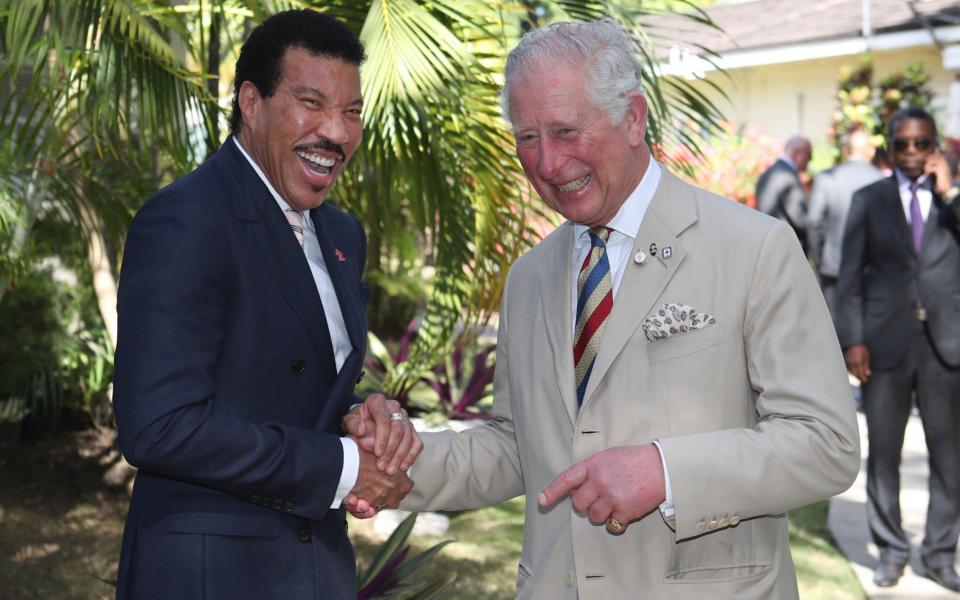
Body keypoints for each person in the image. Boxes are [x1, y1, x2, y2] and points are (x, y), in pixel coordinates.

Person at [345, 18, 859, 598]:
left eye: (566, 131)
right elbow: (518, 446)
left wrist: (665, 472)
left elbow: (826, 444)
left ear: (634, 118)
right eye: (527, 137)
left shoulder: (754, 247)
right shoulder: (530, 276)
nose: (545, 162)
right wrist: (390, 462)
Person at [112, 10, 419, 599]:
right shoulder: (187, 219)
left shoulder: (343, 236)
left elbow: (279, 384)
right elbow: (157, 426)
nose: (337, 131)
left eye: (352, 112)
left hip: (315, 567)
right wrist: (344, 467)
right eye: (312, 103)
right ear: (251, 103)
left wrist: (359, 416)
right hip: (208, 574)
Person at [836, 106, 960, 591]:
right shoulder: (868, 200)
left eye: (921, 143)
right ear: (890, 148)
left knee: (948, 458)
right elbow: (849, 277)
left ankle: (939, 553)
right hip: (885, 346)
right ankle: (890, 549)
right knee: (883, 454)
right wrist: (854, 339)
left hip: (945, 346)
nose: (912, 152)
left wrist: (949, 192)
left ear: (936, 146)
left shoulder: (951, 200)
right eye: (903, 144)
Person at [807, 127, 883, 320]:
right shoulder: (881, 180)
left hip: (833, 264)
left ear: (846, 150)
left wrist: (818, 256)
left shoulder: (827, 177)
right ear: (870, 151)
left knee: (832, 329)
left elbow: (813, 221)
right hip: (870, 269)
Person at [756, 134, 813, 253]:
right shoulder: (787, 177)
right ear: (799, 154)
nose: (809, 163)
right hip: (785, 248)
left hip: (768, 243)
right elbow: (800, 219)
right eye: (809, 156)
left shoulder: (768, 173)